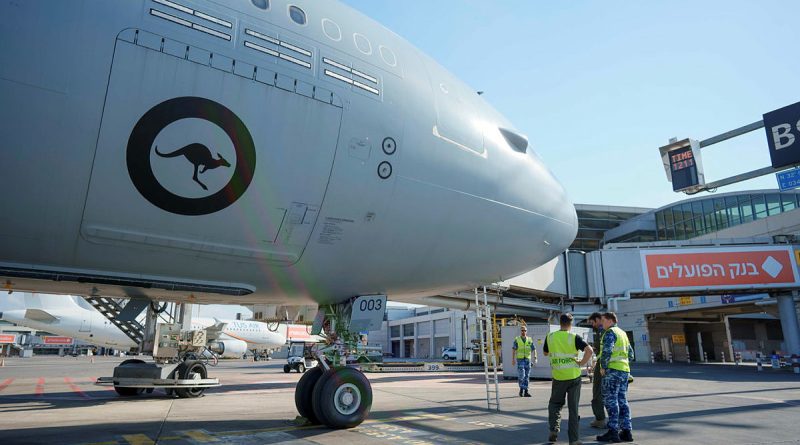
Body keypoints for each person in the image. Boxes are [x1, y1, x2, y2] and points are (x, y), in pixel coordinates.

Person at [543, 313, 593, 445]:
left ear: (560, 323)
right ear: (571, 324)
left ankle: (554, 430)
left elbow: (545, 352)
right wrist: (581, 362)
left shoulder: (550, 337)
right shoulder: (574, 337)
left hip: (558, 377)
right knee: (573, 408)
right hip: (574, 377)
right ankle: (574, 439)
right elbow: (590, 351)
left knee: (555, 404)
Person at [596, 312, 634, 443]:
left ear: (610, 320)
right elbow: (631, 354)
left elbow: (607, 350)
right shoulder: (623, 333)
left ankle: (613, 431)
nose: (602, 323)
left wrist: (604, 367)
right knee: (622, 400)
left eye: (603, 320)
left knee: (611, 401)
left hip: (612, 371)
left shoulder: (610, 333)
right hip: (624, 371)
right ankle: (627, 431)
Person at [588, 312, 607, 429]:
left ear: (597, 319)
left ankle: (600, 419)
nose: (592, 325)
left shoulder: (601, 331)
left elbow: (601, 349)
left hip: (602, 365)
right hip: (615, 367)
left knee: (597, 392)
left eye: (592, 322)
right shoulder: (615, 331)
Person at [511, 325, 536, 397]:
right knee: (522, 375)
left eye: (525, 330)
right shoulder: (517, 339)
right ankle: (521, 389)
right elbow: (513, 349)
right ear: (520, 331)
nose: (523, 332)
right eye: (522, 330)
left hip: (528, 359)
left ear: (526, 331)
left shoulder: (530, 339)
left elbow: (534, 348)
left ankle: (525, 391)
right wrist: (513, 360)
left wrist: (535, 357)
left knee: (527, 376)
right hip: (520, 359)